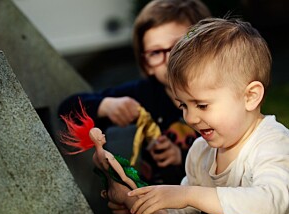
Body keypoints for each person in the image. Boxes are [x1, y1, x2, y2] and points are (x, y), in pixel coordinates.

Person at [123, 17, 289, 214]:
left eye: (202, 105)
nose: (190, 118)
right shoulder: (200, 153)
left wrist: (189, 195)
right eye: (183, 105)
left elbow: (269, 206)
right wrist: (143, 213)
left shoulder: (273, 144)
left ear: (250, 96)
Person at [59, 0, 211, 187]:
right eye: (155, 53)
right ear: (147, 65)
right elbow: (67, 108)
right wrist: (106, 106)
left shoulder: (219, 96)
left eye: (178, 47)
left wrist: (183, 158)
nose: (169, 59)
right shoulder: (144, 94)